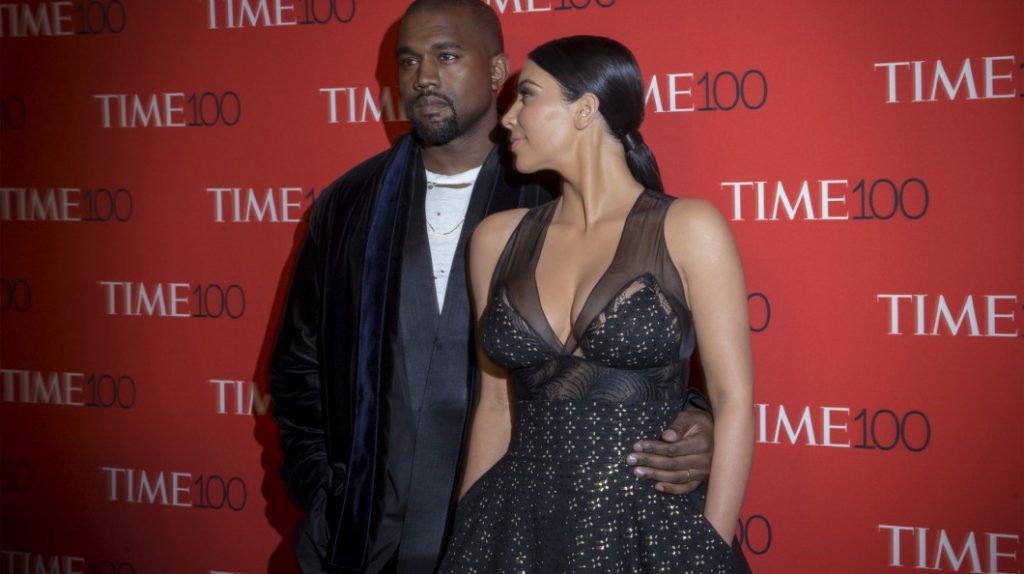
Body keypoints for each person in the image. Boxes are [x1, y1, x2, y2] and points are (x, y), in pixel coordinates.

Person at [269, 2, 718, 572]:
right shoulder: (347, 206)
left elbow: (666, 340)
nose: (423, 77)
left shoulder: (562, 197)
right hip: (363, 535)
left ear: (497, 70)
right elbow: (299, 366)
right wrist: (325, 490)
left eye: (446, 56)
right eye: (408, 61)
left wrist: (696, 420)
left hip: (526, 536)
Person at [439, 35, 755, 572]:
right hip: (514, 530)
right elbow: (494, 407)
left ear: (585, 109)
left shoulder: (688, 227)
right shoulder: (495, 239)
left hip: (651, 532)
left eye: (527, 95)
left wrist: (708, 550)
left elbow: (734, 402)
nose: (507, 118)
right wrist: (467, 534)